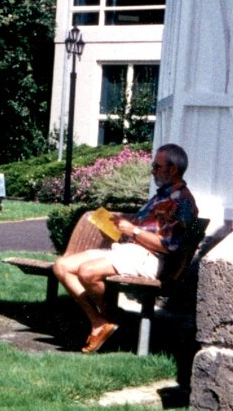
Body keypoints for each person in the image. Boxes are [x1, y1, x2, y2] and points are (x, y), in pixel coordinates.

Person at [52, 142, 198, 354]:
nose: (152, 171)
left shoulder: (184, 202)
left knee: (87, 272)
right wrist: (122, 222)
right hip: (131, 251)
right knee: (62, 266)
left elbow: (170, 247)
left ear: (173, 169)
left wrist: (133, 231)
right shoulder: (161, 196)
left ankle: (110, 319)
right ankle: (100, 322)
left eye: (157, 167)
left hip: (151, 259)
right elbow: (146, 227)